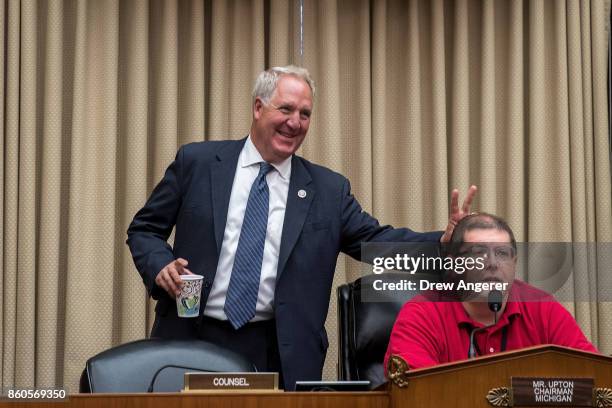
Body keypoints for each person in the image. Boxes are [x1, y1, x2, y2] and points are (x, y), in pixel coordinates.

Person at [127, 65, 477, 390]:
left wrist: (442, 243)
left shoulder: (327, 190)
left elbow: (376, 241)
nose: (295, 122)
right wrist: (160, 266)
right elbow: (144, 229)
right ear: (258, 108)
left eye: (305, 114)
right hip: (193, 334)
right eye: (286, 109)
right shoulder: (198, 163)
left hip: (277, 349)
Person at [384, 213, 597, 371]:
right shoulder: (422, 313)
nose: (492, 263)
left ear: (514, 263)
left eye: (502, 254)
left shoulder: (542, 307)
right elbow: (415, 393)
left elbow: (592, 374)